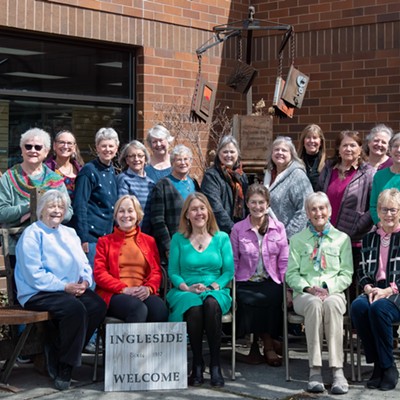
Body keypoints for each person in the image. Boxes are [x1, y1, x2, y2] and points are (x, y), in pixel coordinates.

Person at [14, 190, 106, 391]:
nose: (56, 210)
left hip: (69, 289)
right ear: (41, 210)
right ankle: (65, 367)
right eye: (52, 206)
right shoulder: (32, 233)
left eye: (60, 207)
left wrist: (84, 281)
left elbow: (83, 264)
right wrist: (64, 286)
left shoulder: (69, 233)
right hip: (37, 291)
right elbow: (33, 274)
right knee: (74, 309)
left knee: (97, 305)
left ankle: (58, 349)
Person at [286, 192, 353, 394]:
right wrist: (308, 288)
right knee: (314, 304)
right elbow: (291, 274)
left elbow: (347, 273)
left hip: (333, 293)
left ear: (329, 211)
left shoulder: (342, 239)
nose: (318, 212)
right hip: (305, 294)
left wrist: (328, 289)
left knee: (331, 304)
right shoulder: (297, 240)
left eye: (322, 208)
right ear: (307, 213)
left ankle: (337, 370)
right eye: (313, 209)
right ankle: (314, 370)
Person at [167, 193, 234, 387]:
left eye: (202, 208)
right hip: (185, 290)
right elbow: (173, 271)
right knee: (194, 307)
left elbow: (228, 270)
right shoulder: (178, 239)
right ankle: (197, 362)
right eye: (194, 209)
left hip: (215, 288)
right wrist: (186, 287)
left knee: (211, 303)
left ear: (208, 212)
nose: (199, 213)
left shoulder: (221, 238)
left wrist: (215, 285)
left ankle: (215, 363)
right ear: (187, 214)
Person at [230, 184, 288, 367]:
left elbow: (284, 260)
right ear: (247, 203)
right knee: (247, 300)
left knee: (273, 297)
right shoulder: (238, 229)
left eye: (261, 202)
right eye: (253, 202)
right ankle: (268, 346)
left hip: (271, 279)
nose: (257, 206)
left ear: (268, 204)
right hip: (245, 280)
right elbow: (233, 260)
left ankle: (265, 346)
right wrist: (230, 284)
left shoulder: (278, 227)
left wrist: (288, 287)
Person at [351, 188, 400, 391]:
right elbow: (362, 270)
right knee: (358, 307)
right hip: (375, 290)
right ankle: (379, 363)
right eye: (384, 209)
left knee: (378, 309)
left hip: (396, 293)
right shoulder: (370, 238)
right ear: (378, 212)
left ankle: (386, 366)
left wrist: (388, 291)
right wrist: (368, 287)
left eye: (393, 210)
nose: (389, 214)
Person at [94, 195, 168, 323]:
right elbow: (100, 273)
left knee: (159, 309)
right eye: (121, 211)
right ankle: (131, 344)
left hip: (142, 291)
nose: (125, 215)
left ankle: (150, 344)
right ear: (116, 216)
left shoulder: (149, 241)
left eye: (130, 210)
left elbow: (156, 271)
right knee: (137, 309)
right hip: (115, 294)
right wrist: (123, 289)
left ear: (138, 215)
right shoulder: (104, 242)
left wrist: (148, 288)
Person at [0, 128, 72, 254]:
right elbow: (2, 213)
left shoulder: (55, 180)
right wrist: (30, 206)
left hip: (50, 246)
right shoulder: (8, 177)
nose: (32, 150)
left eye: (38, 147)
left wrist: (44, 211)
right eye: (28, 146)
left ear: (46, 152)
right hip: (16, 246)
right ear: (22, 150)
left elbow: (68, 212)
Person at [318, 130, 374, 287]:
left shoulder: (368, 173)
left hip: (354, 239)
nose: (348, 149)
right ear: (338, 149)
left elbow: (373, 206)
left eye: (353, 145)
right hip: (327, 236)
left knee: (350, 283)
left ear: (360, 149)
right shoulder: (329, 169)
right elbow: (319, 196)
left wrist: (357, 226)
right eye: (345, 145)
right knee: (330, 281)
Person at [72, 127, 119, 267]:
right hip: (91, 239)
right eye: (103, 146)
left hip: (108, 237)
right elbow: (79, 206)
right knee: (91, 283)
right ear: (97, 148)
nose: (107, 149)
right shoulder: (88, 171)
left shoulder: (112, 171)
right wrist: (83, 238)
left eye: (111, 146)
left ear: (116, 148)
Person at [150, 144, 200, 265]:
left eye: (186, 159)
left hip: (195, 242)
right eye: (178, 159)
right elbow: (157, 220)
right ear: (172, 162)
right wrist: (168, 246)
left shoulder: (194, 183)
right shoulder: (163, 185)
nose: (183, 163)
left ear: (191, 161)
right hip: (175, 243)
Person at [264, 136, 313, 239]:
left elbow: (305, 210)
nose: (280, 152)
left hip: (291, 240)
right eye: (276, 149)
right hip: (270, 238)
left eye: (284, 150)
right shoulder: (269, 175)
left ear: (291, 154)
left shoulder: (298, 176)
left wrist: (287, 236)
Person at [201, 135, 248, 234]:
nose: (228, 155)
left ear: (237, 154)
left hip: (240, 230)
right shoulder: (211, 176)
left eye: (232, 152)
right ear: (218, 154)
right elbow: (214, 206)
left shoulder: (241, 175)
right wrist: (232, 228)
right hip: (219, 231)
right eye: (225, 152)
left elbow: (247, 204)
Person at [117, 140, 155, 233]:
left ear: (145, 159)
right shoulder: (123, 179)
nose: (136, 159)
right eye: (132, 156)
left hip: (147, 234)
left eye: (140, 155)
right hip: (129, 233)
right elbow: (122, 208)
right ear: (127, 160)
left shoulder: (151, 183)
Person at [45, 130, 84, 202]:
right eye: (62, 142)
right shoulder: (46, 170)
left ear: (74, 147)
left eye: (69, 143)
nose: (65, 146)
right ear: (54, 146)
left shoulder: (81, 170)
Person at [370, 132, 400, 225]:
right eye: (395, 146)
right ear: (389, 150)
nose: (399, 150)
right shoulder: (379, 176)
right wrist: (380, 224)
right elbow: (373, 206)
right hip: (384, 230)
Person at [297, 124, 327, 190]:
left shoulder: (327, 164)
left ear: (321, 142)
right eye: (308, 137)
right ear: (303, 141)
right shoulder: (295, 163)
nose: (311, 141)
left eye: (315, 138)